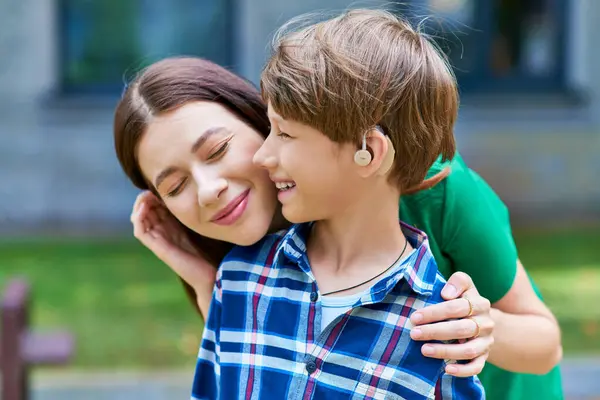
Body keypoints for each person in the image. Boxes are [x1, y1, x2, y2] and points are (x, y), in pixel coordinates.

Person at [113, 27, 562, 400]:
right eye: (175, 187)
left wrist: (479, 327)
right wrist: (203, 276)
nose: (208, 191)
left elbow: (546, 345)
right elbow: (254, 365)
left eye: (218, 150)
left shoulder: (432, 186)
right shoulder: (251, 270)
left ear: (261, 121)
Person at [191, 8, 485, 398]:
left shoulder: (442, 328)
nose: (263, 156)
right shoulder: (240, 277)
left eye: (285, 134)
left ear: (369, 152)